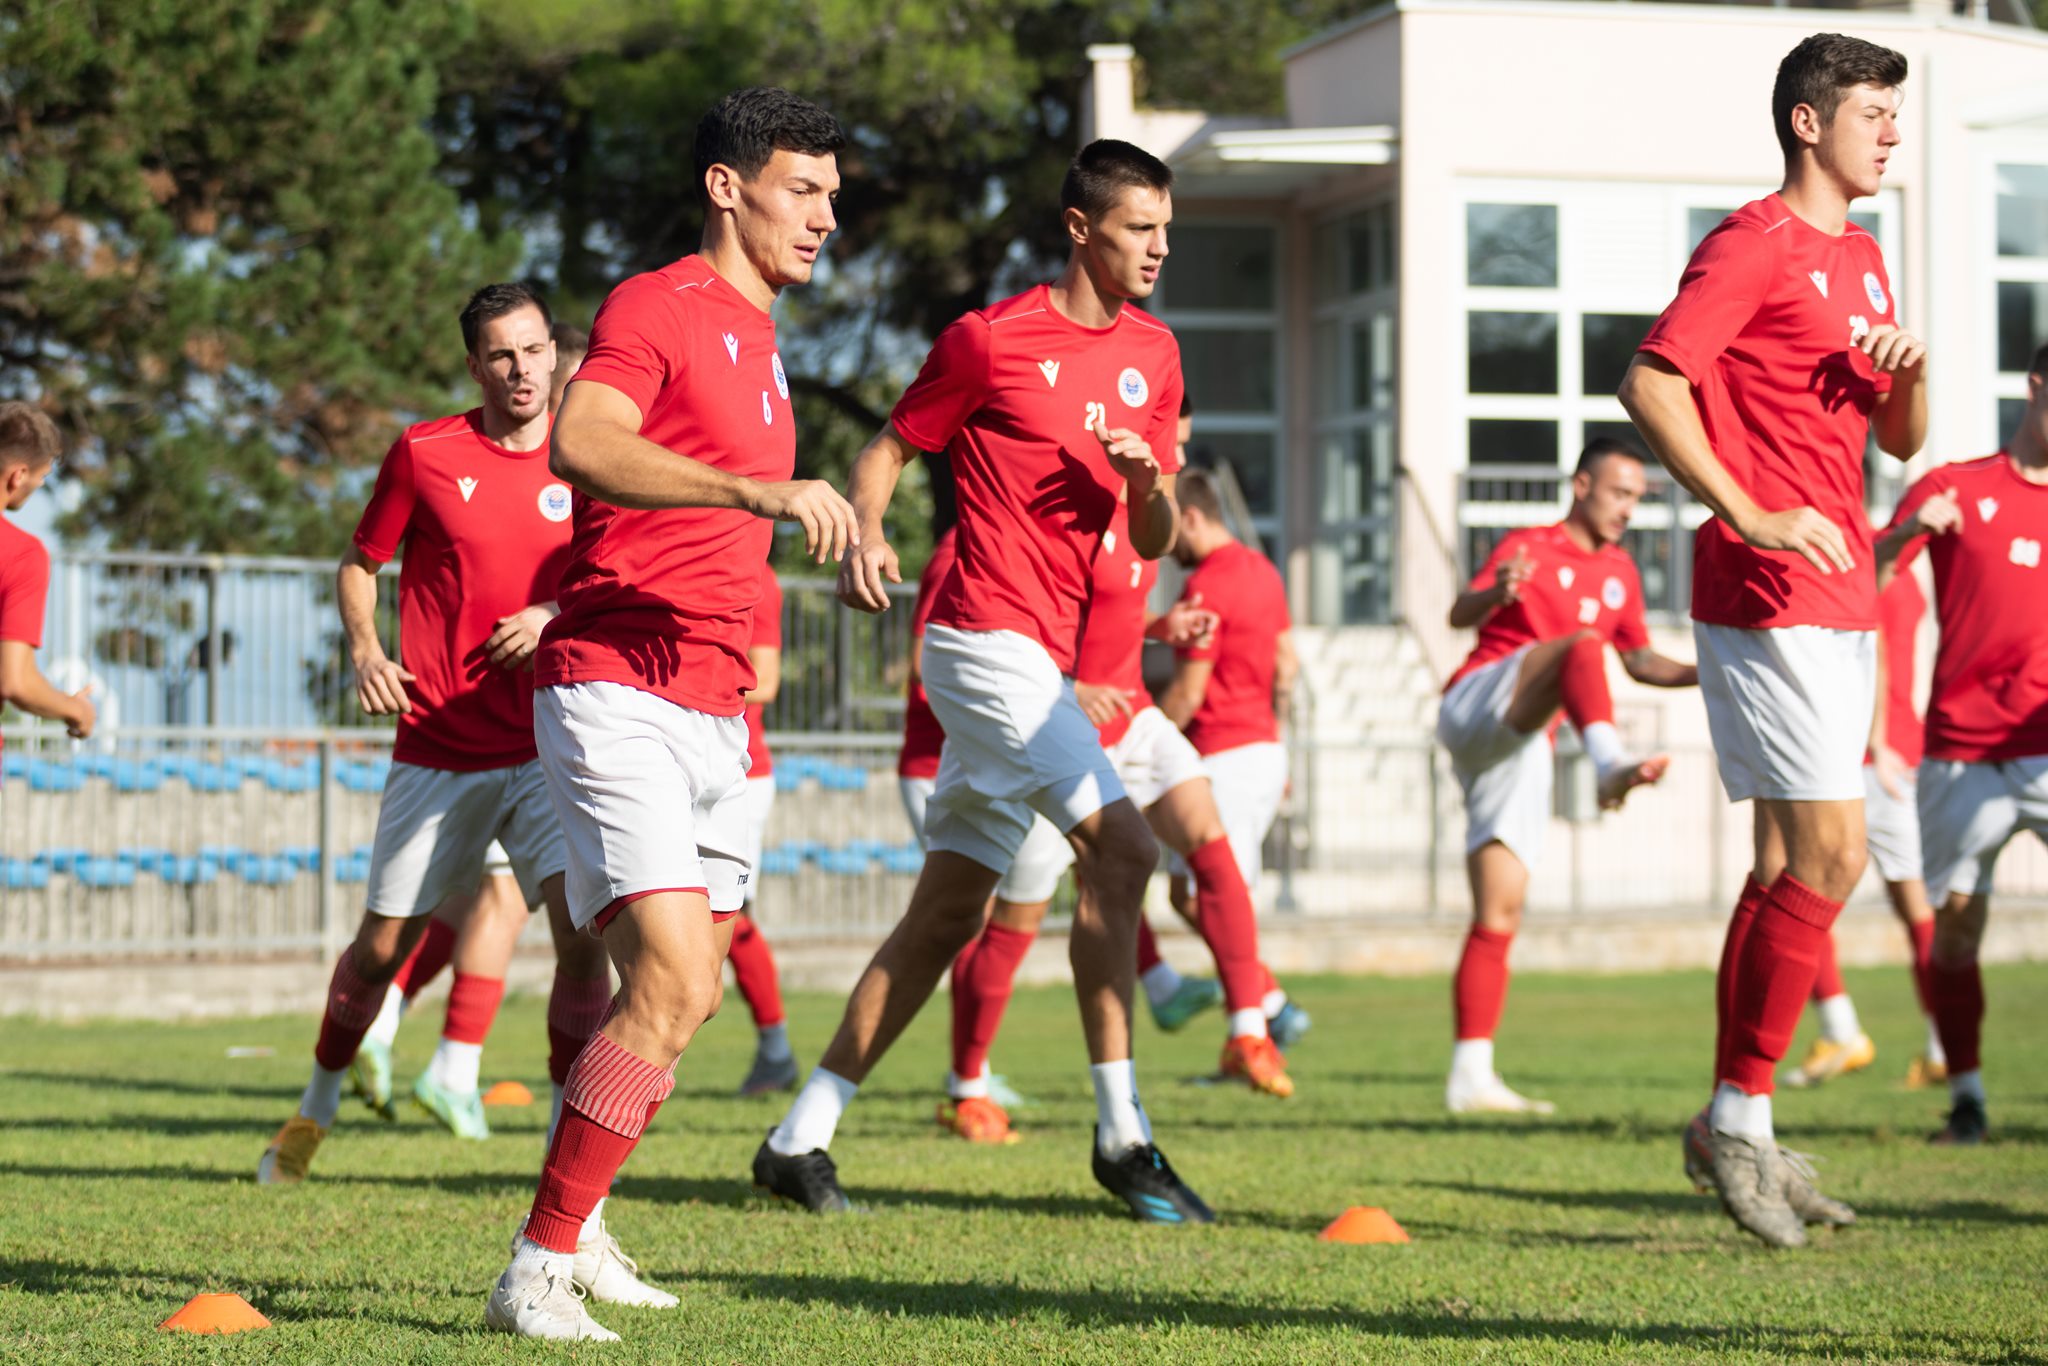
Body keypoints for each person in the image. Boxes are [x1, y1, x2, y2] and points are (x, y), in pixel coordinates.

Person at [758, 138, 1210, 1224]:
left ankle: (796, 1135)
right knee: (1128, 847)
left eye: (1163, 227)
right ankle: (1122, 1136)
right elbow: (886, 449)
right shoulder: (990, 338)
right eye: (1137, 227)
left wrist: (1147, 479)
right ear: (1078, 227)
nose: (1157, 247)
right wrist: (866, 531)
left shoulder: (1156, 351)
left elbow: (1151, 530)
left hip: (1043, 662)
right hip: (976, 641)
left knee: (944, 914)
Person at [481, 88, 854, 1343]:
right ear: (726, 187)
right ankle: (533, 1264)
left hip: (711, 706)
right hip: (613, 688)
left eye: (832, 194)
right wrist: (757, 490)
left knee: (680, 998)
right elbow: (580, 443)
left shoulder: (765, 339)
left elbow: (727, 534)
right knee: (680, 977)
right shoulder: (658, 305)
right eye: (803, 189)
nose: (825, 215)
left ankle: (579, 1231)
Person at [1621, 32, 1926, 1247]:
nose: (1888, 130)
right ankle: (1739, 1121)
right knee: (1832, 859)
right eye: (1869, 110)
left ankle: (1725, 1123)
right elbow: (1651, 382)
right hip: (1766, 584)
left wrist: (1907, 373)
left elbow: (1896, 438)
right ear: (1807, 123)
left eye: (1894, 112)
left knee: (1781, 869)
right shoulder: (1750, 243)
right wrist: (1742, 508)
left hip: (1842, 591)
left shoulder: (1860, 258)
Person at [937, 477, 1293, 1145]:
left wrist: (1160, 628)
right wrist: (1076, 684)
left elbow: (1111, 618)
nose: (1175, 455)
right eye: (1171, 442)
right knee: (1012, 917)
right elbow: (1011, 637)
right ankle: (967, 1086)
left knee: (1204, 835)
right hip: (1057, 730)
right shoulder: (1046, 516)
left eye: (1178, 443)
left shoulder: (1150, 521)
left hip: (1134, 718)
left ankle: (1249, 1028)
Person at [1435, 439, 1696, 1114]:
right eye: (1619, 493)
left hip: (1523, 743)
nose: (1628, 510)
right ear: (1582, 485)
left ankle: (1471, 1075)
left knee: (1501, 909)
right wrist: (1493, 591)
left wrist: (1708, 671)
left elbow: (1639, 661)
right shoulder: (1529, 543)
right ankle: (1608, 764)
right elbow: (1459, 614)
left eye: (1638, 499)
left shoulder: (1620, 573)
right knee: (1580, 647)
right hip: (1478, 701)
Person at [1870, 338, 2048, 1146]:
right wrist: (1902, 532)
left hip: (2042, 744)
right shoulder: (1953, 486)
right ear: (2036, 387)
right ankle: (1967, 1097)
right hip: (1960, 753)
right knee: (1957, 933)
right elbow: (1863, 585)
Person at [898, 519, 1071, 1131]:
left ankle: (971, 1075)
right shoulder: (965, 545)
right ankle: (965, 1081)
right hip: (960, 761)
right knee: (951, 924)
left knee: (1002, 918)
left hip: (1021, 751)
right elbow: (923, 662)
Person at [1155, 464, 1306, 1044]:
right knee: (1190, 895)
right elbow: (1286, 664)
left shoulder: (1207, 586)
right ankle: (1265, 1002)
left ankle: (1262, 1029)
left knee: (1215, 896)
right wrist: (1280, 740)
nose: (1167, 553)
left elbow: (1189, 694)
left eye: (1171, 537)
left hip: (1223, 757)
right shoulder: (1263, 570)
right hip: (1262, 749)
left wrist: (1138, 741)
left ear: (1192, 516)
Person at [1780, 567, 1941, 1089]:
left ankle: (1843, 1031)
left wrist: (1872, 741)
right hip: (1898, 752)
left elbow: (1875, 649)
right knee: (1913, 904)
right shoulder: (1904, 574)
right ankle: (1941, 1047)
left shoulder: (1856, 559)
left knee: (1792, 882)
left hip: (1866, 759)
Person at [730, 558, 800, 1096]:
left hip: (738, 773)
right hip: (675, 764)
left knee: (726, 920)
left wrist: (681, 684)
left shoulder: (758, 576)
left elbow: (767, 681)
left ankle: (775, 1048)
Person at [0, 403, 95, 750]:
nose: (40, 485)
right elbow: (15, 683)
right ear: (18, 475)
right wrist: (76, 710)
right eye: (42, 477)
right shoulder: (20, 554)